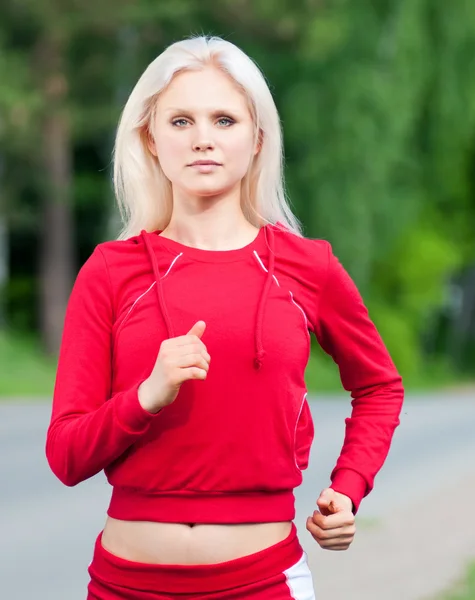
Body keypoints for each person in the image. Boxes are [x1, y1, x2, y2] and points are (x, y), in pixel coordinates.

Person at [45, 35, 404, 600]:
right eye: (181, 121)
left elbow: (380, 386)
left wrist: (349, 486)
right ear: (152, 139)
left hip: (262, 581)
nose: (203, 140)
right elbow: (66, 455)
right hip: (126, 584)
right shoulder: (111, 272)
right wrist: (146, 396)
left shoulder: (308, 266)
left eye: (224, 120)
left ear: (258, 139)